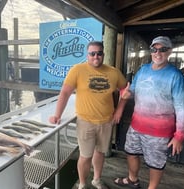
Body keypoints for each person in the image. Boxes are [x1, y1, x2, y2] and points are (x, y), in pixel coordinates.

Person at [49, 41, 127, 189]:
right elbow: (65, 92)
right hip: (85, 121)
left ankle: (96, 179)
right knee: (85, 155)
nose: (96, 56)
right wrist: (57, 114)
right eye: (92, 53)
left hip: (106, 121)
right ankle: (83, 184)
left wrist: (119, 110)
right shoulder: (77, 70)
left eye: (99, 53)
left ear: (103, 55)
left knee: (100, 152)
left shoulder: (114, 72)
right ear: (87, 55)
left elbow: (125, 90)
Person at [114, 36, 184, 189]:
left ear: (169, 51)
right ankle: (132, 179)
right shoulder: (143, 70)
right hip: (136, 126)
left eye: (162, 49)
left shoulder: (176, 76)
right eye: (154, 49)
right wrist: (127, 94)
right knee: (131, 153)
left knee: (155, 164)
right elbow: (132, 91)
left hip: (159, 132)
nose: (158, 53)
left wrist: (179, 136)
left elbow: (182, 108)